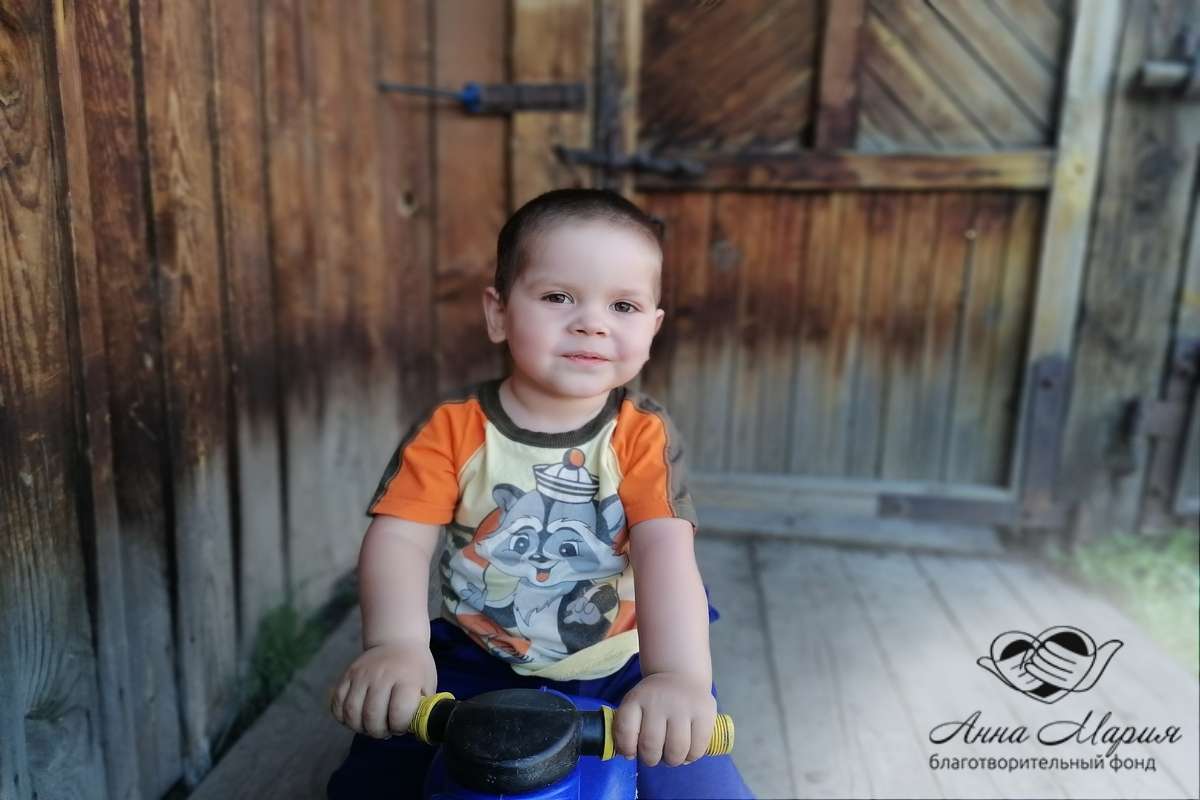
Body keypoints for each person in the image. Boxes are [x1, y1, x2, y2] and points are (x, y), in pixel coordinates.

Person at [326, 188, 754, 800]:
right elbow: (399, 539)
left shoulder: (642, 436)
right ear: (498, 313)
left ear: (652, 328)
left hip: (621, 662)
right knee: (372, 778)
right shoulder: (452, 430)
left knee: (703, 788)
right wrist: (395, 645)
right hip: (476, 658)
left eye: (624, 305)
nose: (592, 322)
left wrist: (677, 676)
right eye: (558, 297)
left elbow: (666, 552)